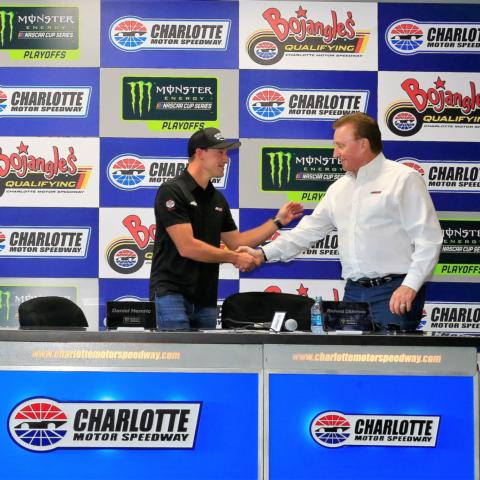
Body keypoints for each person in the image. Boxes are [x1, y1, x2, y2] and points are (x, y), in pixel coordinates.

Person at [239, 113, 443, 331]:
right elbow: (308, 231)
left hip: (394, 291)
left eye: (340, 146)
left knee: (392, 362)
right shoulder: (339, 188)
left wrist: (409, 286)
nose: (335, 153)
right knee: (349, 361)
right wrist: (262, 254)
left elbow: (429, 240)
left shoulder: (403, 179)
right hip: (353, 292)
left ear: (363, 144)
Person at [149, 127, 304, 330]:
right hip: (172, 294)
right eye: (220, 152)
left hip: (205, 297)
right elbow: (187, 247)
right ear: (200, 153)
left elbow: (237, 242)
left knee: (206, 361)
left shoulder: (217, 198)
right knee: (175, 359)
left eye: (226, 153)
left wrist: (278, 221)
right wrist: (234, 257)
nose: (226, 159)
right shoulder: (173, 191)